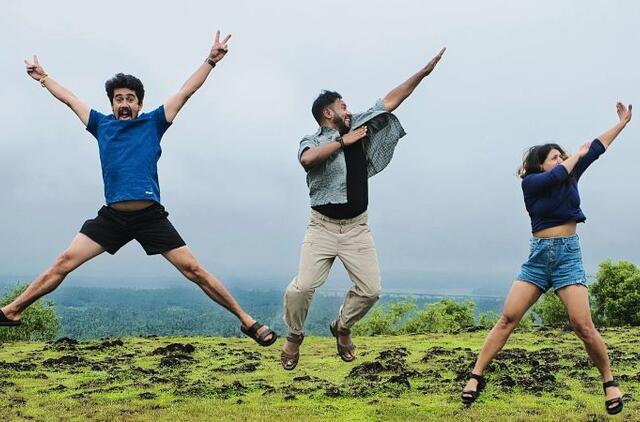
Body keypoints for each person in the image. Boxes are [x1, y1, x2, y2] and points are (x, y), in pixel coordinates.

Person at [0, 31, 277, 347]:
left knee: (194, 270)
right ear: (112, 104)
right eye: (119, 98)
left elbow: (186, 91)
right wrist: (43, 77)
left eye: (130, 98)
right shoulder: (101, 124)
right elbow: (70, 98)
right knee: (64, 262)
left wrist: (210, 61)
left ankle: (248, 322)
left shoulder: (153, 122)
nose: (124, 103)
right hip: (112, 218)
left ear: (139, 104)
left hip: (149, 217)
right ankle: (12, 310)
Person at [461, 102, 632, 415]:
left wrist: (622, 123)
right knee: (508, 319)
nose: (562, 159)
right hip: (538, 259)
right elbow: (560, 173)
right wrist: (574, 157)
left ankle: (609, 381)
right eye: (555, 156)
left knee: (583, 325)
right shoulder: (532, 183)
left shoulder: (569, 175)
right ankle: (475, 376)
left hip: (568, 256)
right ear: (540, 165)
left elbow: (597, 147)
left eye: (562, 155)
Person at [280, 48, 446, 370]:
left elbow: (390, 101)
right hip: (322, 227)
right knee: (302, 288)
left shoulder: (359, 125)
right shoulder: (313, 139)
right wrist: (344, 142)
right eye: (343, 106)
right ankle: (295, 335)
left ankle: (342, 327)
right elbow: (307, 160)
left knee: (371, 290)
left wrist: (423, 73)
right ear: (328, 112)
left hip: (357, 227)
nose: (349, 109)